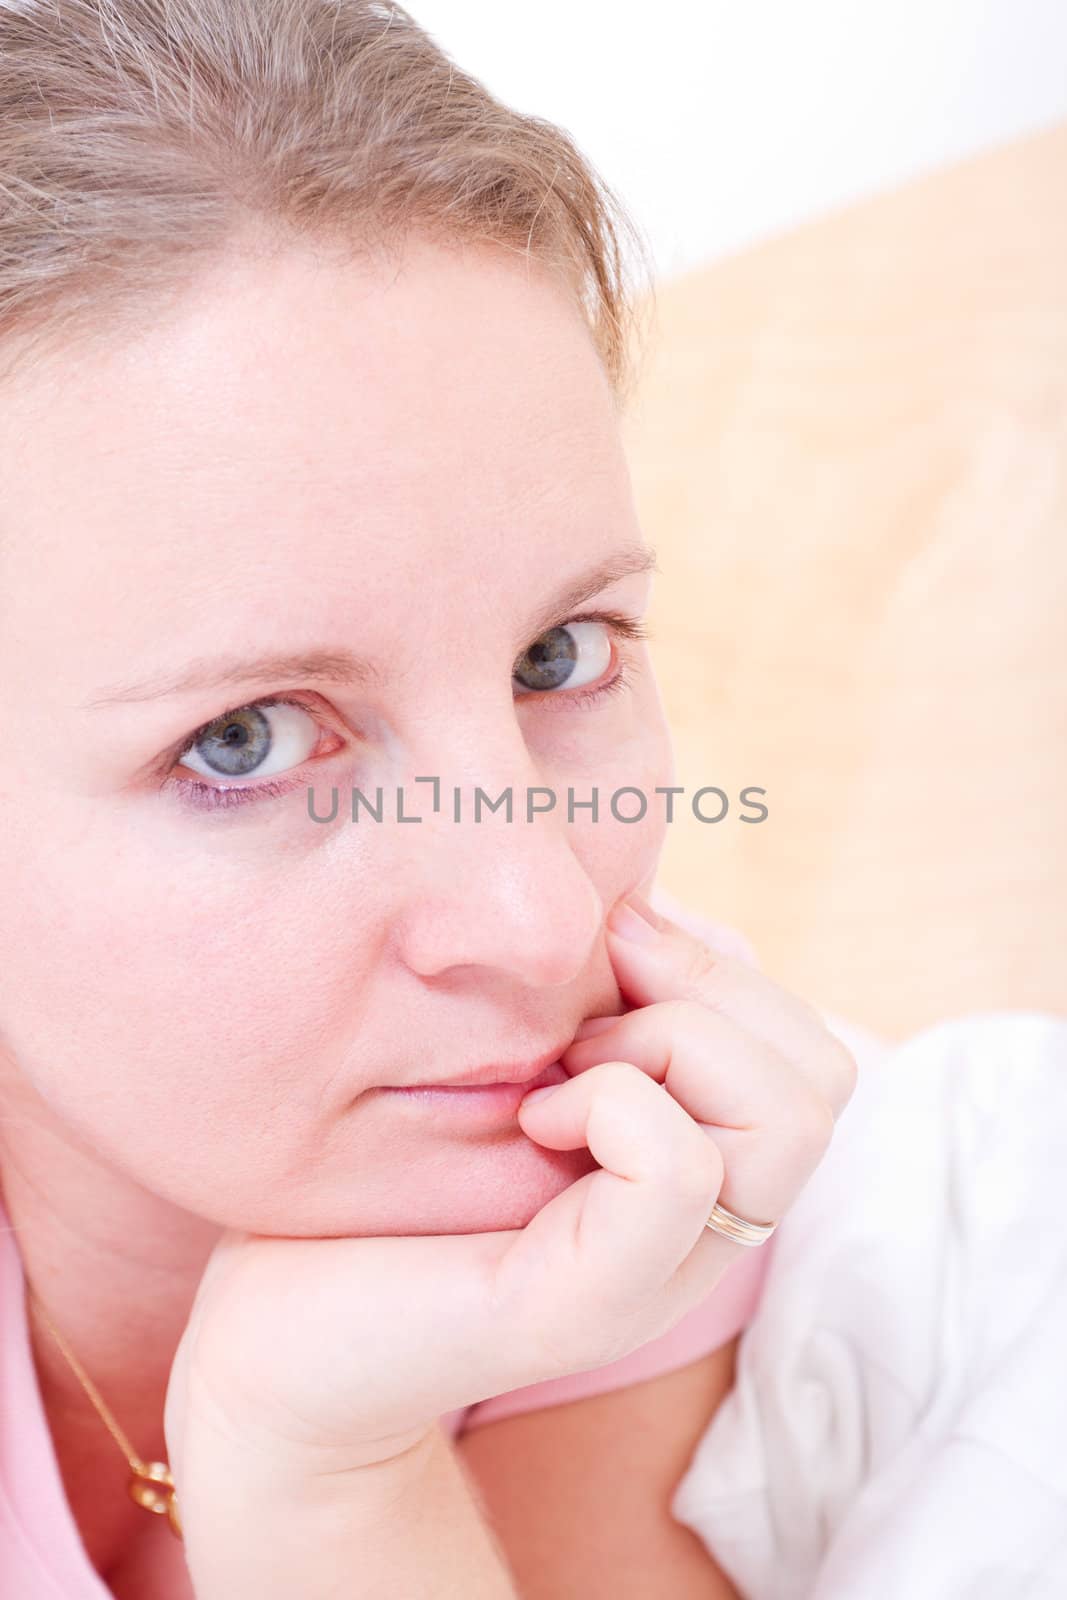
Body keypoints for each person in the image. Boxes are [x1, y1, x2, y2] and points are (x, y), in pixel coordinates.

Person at [0, 2, 857, 1595]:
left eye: (557, 654)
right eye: (245, 740)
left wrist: (319, 1463)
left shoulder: (626, 1175)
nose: (540, 921)